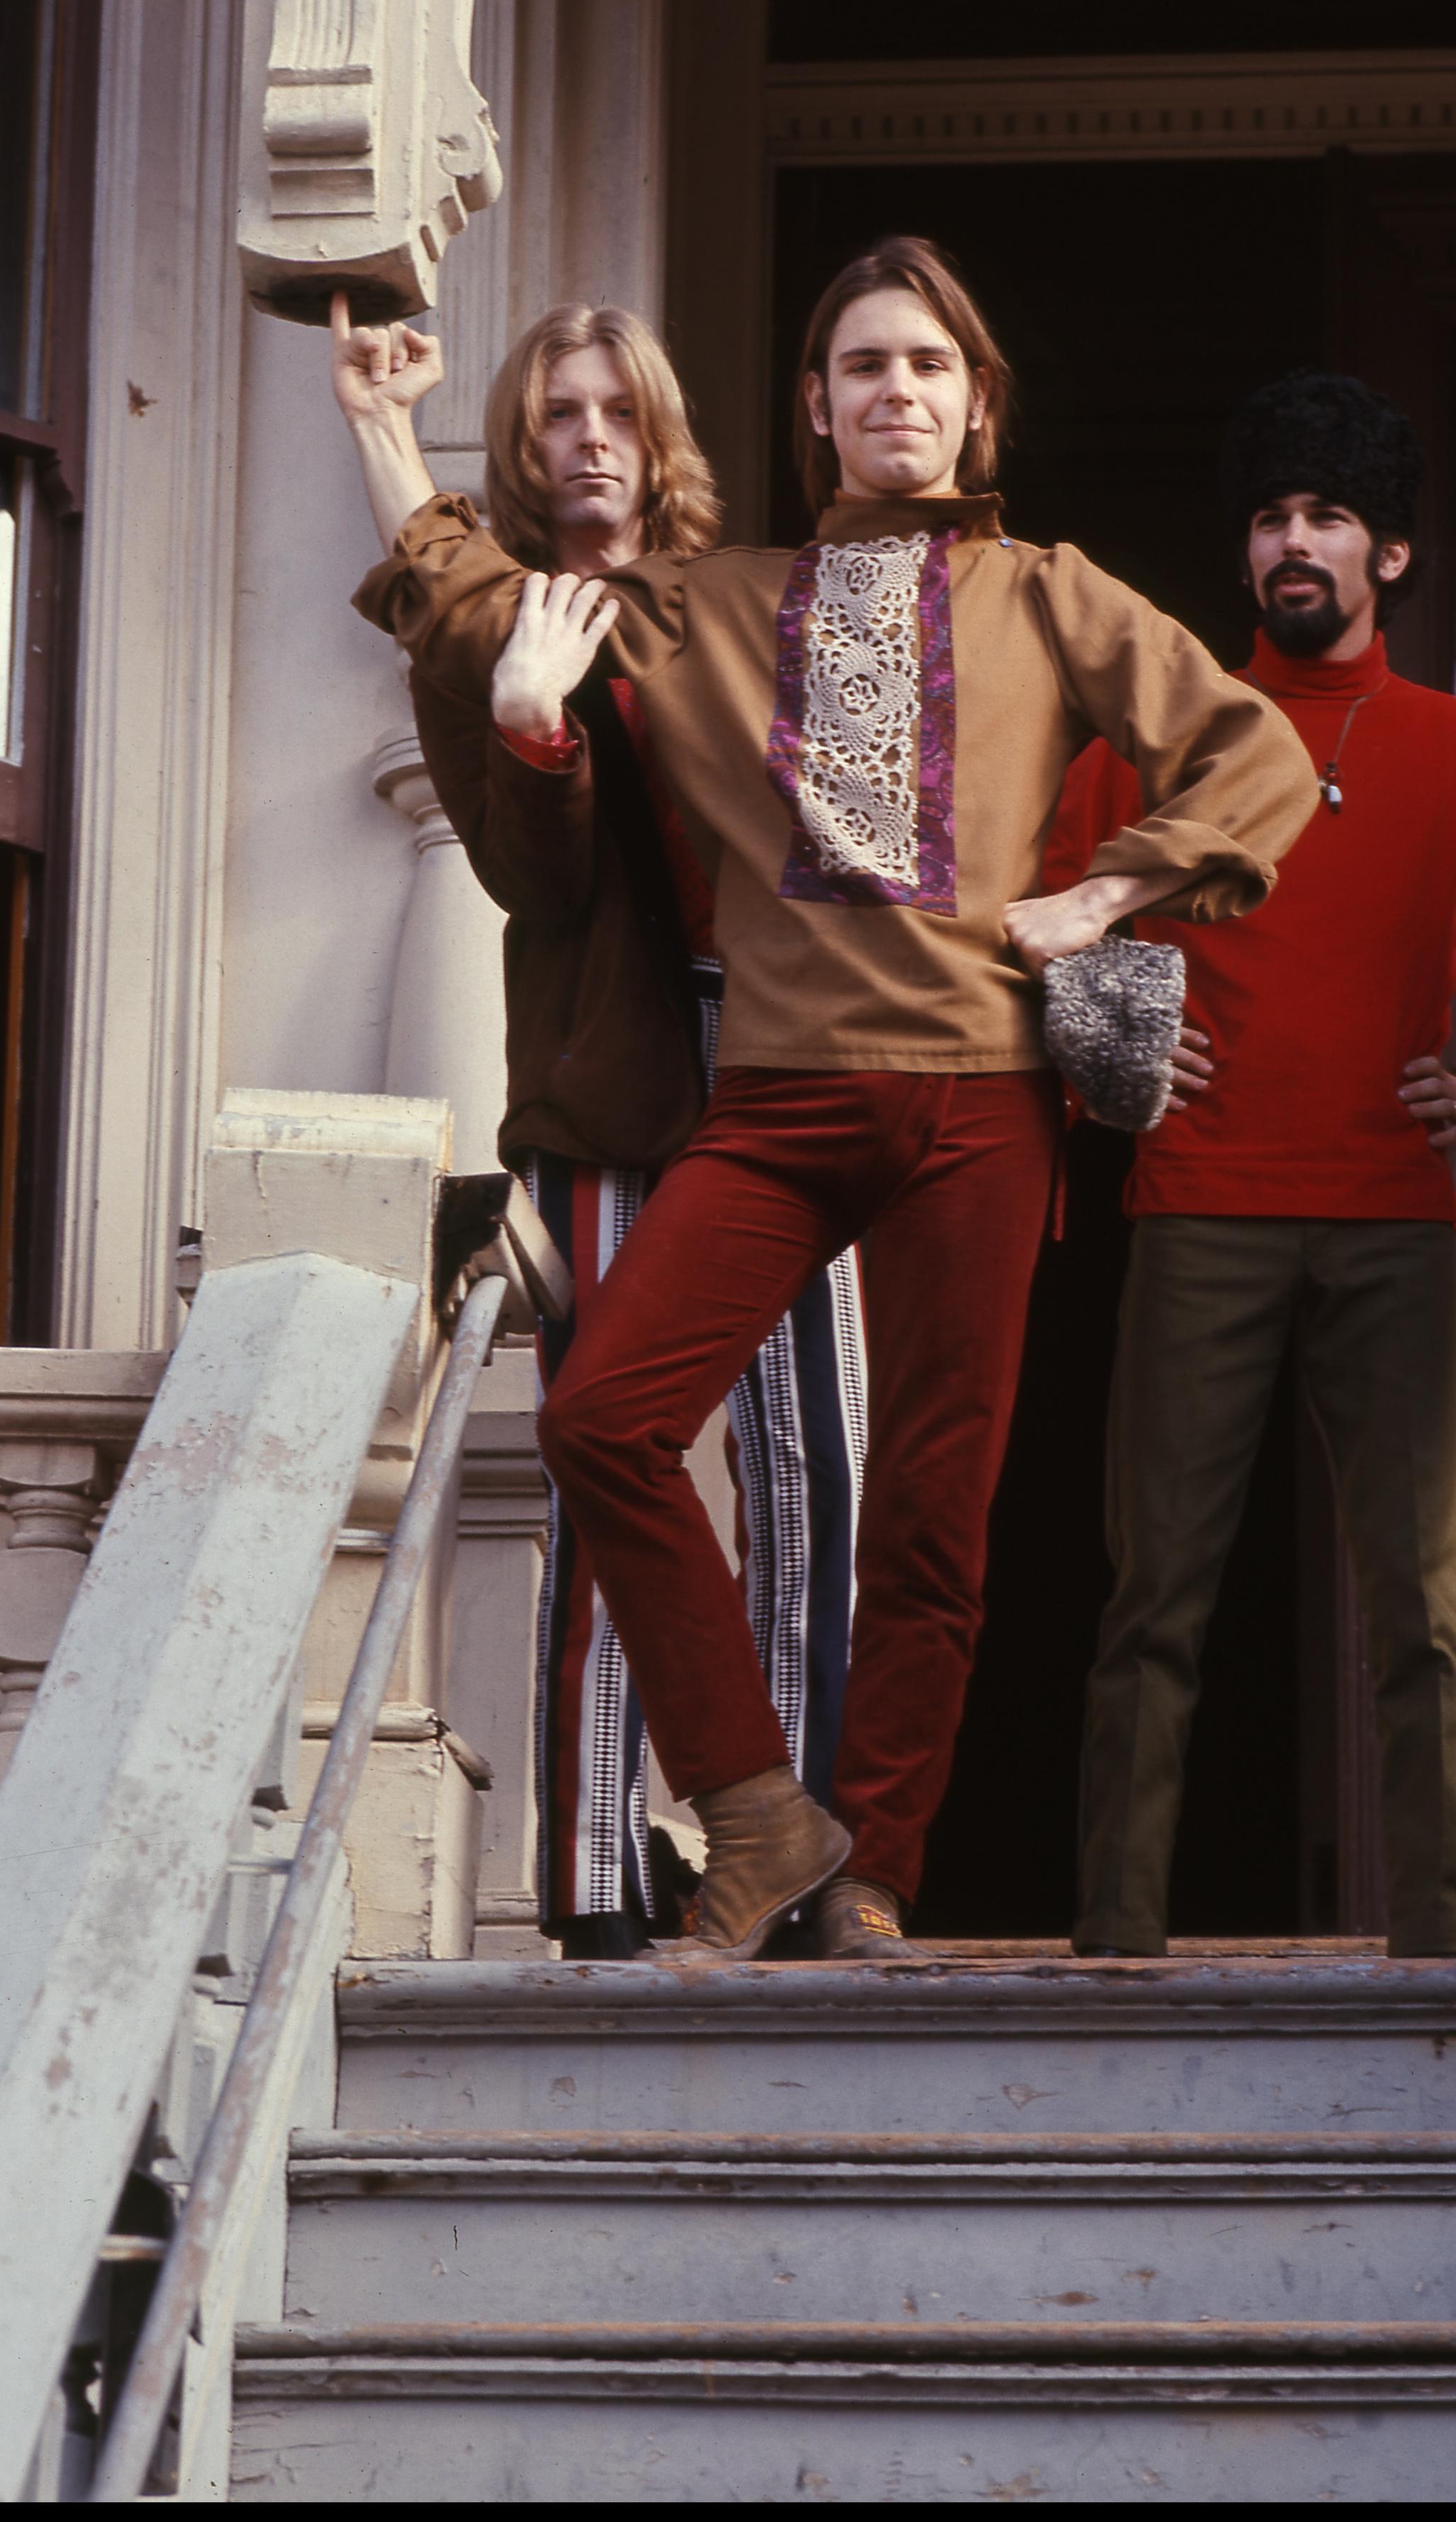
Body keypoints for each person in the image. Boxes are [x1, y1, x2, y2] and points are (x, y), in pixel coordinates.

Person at [346, 237, 1316, 1960]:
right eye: (867, 368)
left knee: (933, 1516)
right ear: (816, 407)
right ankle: (759, 1810)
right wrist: (387, 438)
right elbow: (501, 615)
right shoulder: (715, 602)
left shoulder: (1053, 593)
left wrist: (1107, 895)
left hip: (982, 1105)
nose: (900, 396)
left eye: (931, 368)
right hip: (780, 1102)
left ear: (978, 402)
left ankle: (877, 1869)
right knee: (606, 1421)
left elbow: (1259, 755)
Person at [328, 293, 868, 1959]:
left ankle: (804, 1856)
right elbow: (531, 874)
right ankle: (591, 1875)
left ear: (660, 435)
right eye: (559, 413)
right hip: (612, 1081)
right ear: (522, 439)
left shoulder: (740, 605)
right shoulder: (489, 640)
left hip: (790, 1067)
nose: (588, 439)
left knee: (814, 1478)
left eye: (617, 411)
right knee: (610, 1474)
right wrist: (523, 721)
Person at [1049, 371, 1456, 1959]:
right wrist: (1120, 1053)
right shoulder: (1160, 740)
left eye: (1328, 518)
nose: (1294, 543)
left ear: (1386, 556)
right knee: (1157, 1606)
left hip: (1397, 1219)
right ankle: (1118, 1941)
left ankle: (1442, 1947)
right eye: (1273, 516)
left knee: (1429, 1612)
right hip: (1200, 1209)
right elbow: (1047, 938)